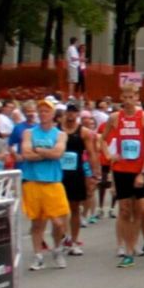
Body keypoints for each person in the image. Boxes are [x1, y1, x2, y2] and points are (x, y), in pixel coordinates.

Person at [102, 86, 144, 267]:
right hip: (121, 170)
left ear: (137, 98)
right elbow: (102, 138)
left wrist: (142, 172)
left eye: (131, 97)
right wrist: (109, 155)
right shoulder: (115, 118)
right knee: (125, 211)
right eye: (124, 97)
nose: (127, 100)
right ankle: (128, 252)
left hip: (139, 170)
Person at [19, 99, 71, 270]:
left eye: (46, 111)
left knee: (58, 222)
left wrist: (40, 151)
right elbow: (26, 153)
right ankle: (38, 255)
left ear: (53, 114)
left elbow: (58, 153)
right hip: (33, 181)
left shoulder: (59, 134)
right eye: (40, 111)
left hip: (52, 181)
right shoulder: (29, 132)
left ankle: (57, 248)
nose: (42, 114)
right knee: (37, 222)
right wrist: (46, 154)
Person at [58, 105, 95, 258]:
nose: (71, 115)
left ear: (78, 114)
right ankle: (61, 240)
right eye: (69, 112)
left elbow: (91, 153)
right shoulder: (58, 131)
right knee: (59, 210)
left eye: (74, 112)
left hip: (76, 173)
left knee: (74, 208)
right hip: (59, 174)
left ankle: (73, 241)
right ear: (65, 114)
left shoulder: (83, 132)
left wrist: (94, 174)